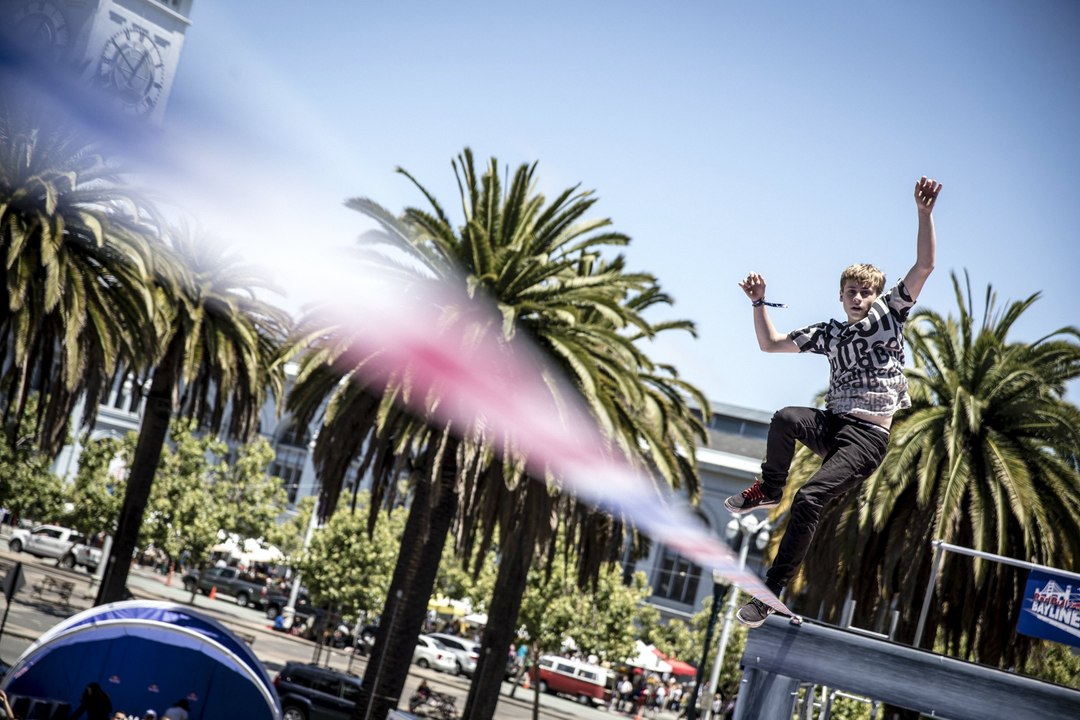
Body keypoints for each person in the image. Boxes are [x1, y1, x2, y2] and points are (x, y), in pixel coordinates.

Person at [727, 176, 942, 627]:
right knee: (786, 417)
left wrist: (924, 214)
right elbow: (770, 344)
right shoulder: (829, 333)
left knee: (809, 498)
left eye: (865, 292)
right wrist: (759, 303)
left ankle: (769, 593)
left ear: (876, 296)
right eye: (851, 292)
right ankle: (769, 488)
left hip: (866, 441)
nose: (858, 299)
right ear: (841, 296)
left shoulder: (890, 314)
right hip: (833, 424)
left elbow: (924, 266)